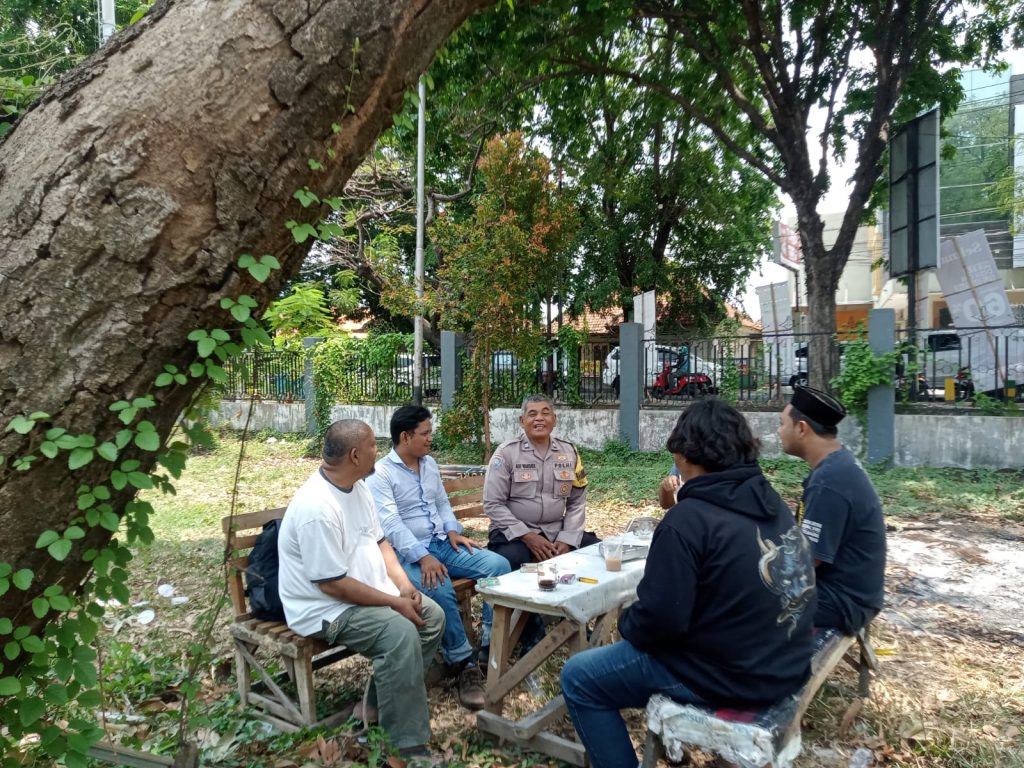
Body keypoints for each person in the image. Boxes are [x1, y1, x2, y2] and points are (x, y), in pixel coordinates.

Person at [561, 399, 817, 768]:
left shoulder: (687, 521)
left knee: (579, 676)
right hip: (786, 662)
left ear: (682, 457)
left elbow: (659, 623)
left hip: (734, 677)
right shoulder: (770, 500)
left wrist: (625, 622)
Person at [277, 419, 445, 766]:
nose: (377, 451)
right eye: (372, 445)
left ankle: (376, 706)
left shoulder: (358, 486)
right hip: (325, 609)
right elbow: (332, 584)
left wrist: (403, 585)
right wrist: (392, 602)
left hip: (372, 591)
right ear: (355, 455)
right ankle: (406, 748)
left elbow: (381, 542)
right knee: (400, 634)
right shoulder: (317, 508)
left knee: (432, 617)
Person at [367, 405, 510, 710]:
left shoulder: (429, 463)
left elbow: (442, 503)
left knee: (499, 565)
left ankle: (487, 643)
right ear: (405, 437)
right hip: (406, 554)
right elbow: (390, 525)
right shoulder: (381, 474)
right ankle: (464, 664)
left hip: (442, 543)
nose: (431, 438)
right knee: (439, 586)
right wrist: (422, 557)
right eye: (426, 433)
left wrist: (453, 530)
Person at [778, 385, 886, 634]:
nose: (779, 430)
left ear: (802, 428)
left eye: (782, 423)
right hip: (850, 591)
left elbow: (805, 562)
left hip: (843, 601)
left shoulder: (829, 482)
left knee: (746, 598)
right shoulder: (837, 465)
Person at [483, 394, 598, 571]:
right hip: (513, 534)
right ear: (522, 421)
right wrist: (527, 536)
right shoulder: (506, 453)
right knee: (516, 561)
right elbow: (493, 504)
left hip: (556, 531)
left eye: (545, 413)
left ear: (554, 419)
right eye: (532, 414)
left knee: (596, 551)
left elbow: (577, 501)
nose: (539, 419)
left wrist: (567, 538)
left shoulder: (569, 452)